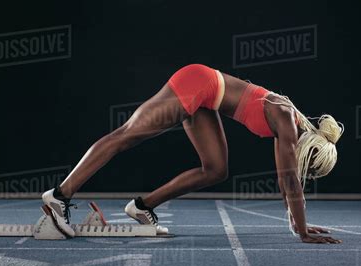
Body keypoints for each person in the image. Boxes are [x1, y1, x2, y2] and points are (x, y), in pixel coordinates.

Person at [42, 64, 344, 244]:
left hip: (206, 99)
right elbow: (289, 182)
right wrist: (302, 230)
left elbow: (287, 182)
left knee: (215, 168)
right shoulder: (287, 122)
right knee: (125, 137)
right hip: (197, 84)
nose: (305, 170)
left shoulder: (288, 121)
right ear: (309, 149)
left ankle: (141, 206)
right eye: (311, 166)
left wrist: (295, 219)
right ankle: (60, 195)